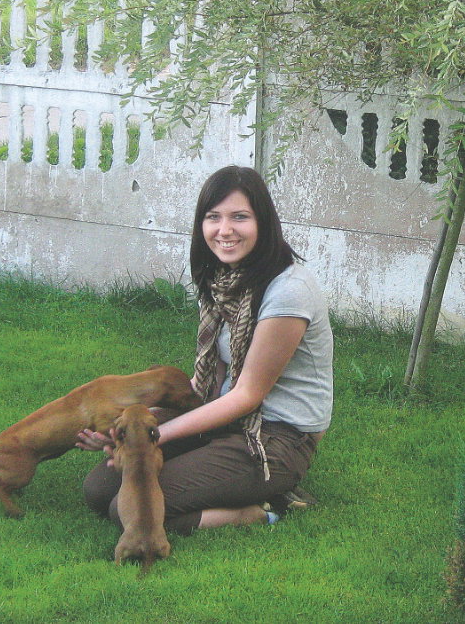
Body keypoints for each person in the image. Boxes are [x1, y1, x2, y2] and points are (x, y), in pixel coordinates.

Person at [79, 165, 333, 535]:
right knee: (98, 490)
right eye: (213, 217)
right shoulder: (222, 281)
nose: (224, 230)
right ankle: (233, 483)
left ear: (263, 222)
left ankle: (260, 509)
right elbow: (211, 383)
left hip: (277, 439)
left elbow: (247, 395)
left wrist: (154, 436)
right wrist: (131, 427)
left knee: (125, 509)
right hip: (226, 421)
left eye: (240, 217)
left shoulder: (288, 292)